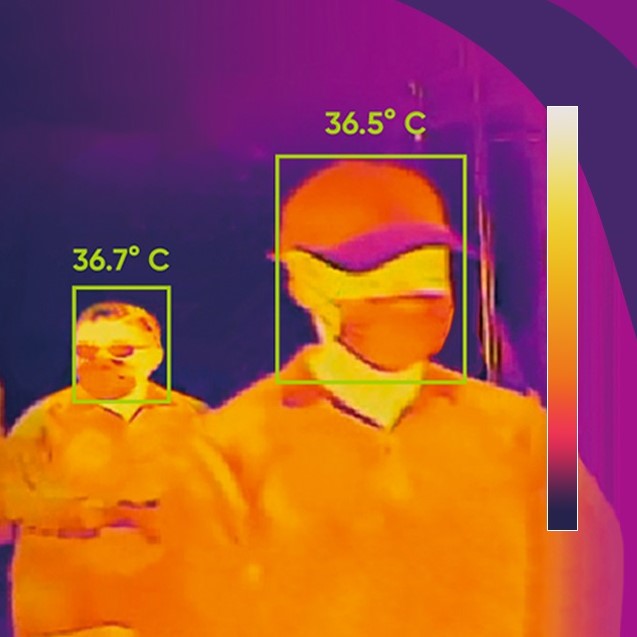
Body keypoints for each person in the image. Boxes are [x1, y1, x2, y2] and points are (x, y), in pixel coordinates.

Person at [206, 161, 623, 636]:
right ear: (302, 281)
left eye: (424, 265)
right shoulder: (230, 449)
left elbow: (593, 580)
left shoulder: (524, 432)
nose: (407, 288)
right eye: (374, 266)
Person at [1, 302, 246, 637]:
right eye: (86, 351)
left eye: (121, 351)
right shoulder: (43, 421)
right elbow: (13, 500)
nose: (101, 362)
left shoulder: (195, 419)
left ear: (154, 357)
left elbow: (227, 510)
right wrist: (104, 513)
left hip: (170, 613)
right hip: (71, 616)